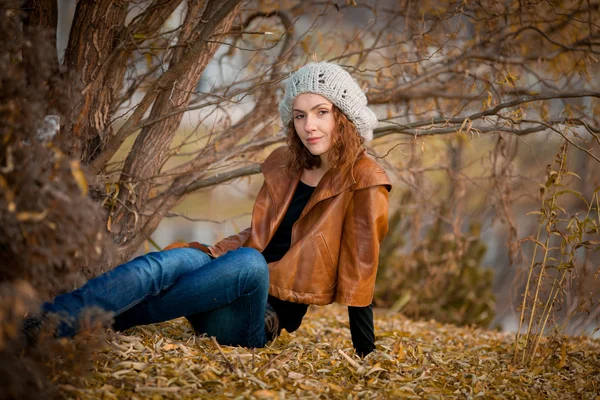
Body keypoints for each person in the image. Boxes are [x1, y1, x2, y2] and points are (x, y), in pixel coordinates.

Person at [26, 62, 392, 357]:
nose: (308, 126)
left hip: (252, 320)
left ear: (343, 116)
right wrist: (209, 255)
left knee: (250, 264)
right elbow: (259, 236)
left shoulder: (364, 180)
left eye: (321, 112)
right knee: (168, 262)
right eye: (299, 116)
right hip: (223, 278)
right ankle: (40, 323)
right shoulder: (288, 163)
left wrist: (367, 353)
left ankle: (103, 319)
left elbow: (361, 274)